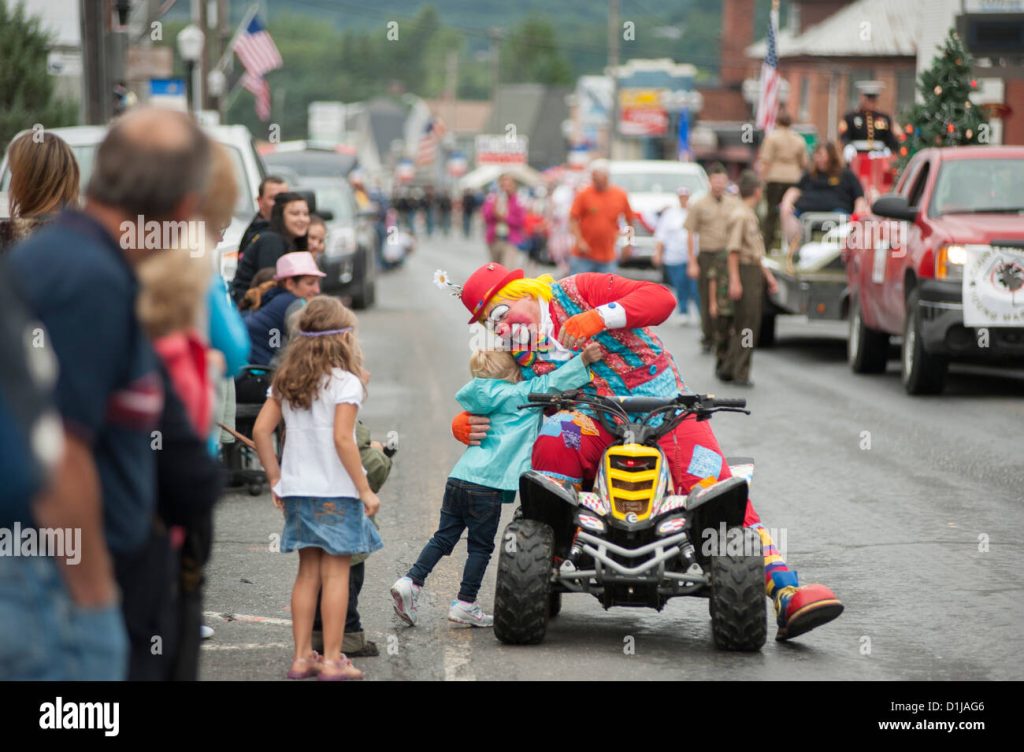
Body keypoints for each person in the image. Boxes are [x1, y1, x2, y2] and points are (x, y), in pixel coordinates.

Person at [448, 263, 843, 641]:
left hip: (666, 410)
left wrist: (599, 318)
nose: (500, 328)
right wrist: (466, 423)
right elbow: (497, 396)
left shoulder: (577, 291)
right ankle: (544, 562)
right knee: (554, 437)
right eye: (491, 324)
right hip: (595, 420)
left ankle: (784, 592)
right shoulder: (517, 350)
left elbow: (661, 300)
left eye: (500, 312)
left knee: (718, 487)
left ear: (524, 293)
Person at [4, 107, 217, 678]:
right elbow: (60, 452)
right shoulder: (86, 280)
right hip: (61, 597)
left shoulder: (79, 265)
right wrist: (93, 595)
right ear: (180, 211)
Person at [391, 338, 601, 628]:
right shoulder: (519, 395)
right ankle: (465, 603)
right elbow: (553, 382)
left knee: (443, 537)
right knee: (480, 548)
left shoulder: (480, 395)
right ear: (514, 374)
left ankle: (410, 581)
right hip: (486, 486)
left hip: (460, 477)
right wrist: (584, 361)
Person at [252, 296, 382, 681]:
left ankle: (301, 657)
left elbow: (261, 431)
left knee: (307, 573)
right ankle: (332, 659)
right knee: (336, 575)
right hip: (336, 493)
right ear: (343, 338)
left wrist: (276, 478)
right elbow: (344, 440)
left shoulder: (287, 381)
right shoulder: (346, 383)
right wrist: (364, 489)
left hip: (297, 491)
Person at [715, 171, 780, 387]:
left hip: (752, 269)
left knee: (746, 324)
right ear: (757, 191)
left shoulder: (746, 214)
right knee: (748, 326)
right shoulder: (741, 216)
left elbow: (756, 253)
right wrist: (735, 280)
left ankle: (730, 367)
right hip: (743, 271)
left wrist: (768, 277)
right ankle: (739, 371)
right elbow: (733, 250)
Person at [684, 163, 739, 353]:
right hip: (707, 255)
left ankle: (722, 334)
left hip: (726, 255)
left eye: (722, 180)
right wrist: (692, 261)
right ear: (709, 181)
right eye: (715, 180)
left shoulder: (733, 203)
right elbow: (691, 233)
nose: (719, 184)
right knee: (707, 297)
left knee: (725, 297)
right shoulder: (699, 204)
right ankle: (708, 335)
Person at [780, 142, 869, 256]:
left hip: (837, 213)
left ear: (831, 156)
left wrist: (858, 214)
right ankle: (796, 253)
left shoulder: (846, 175)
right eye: (816, 155)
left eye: (821, 155)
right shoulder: (809, 176)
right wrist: (787, 203)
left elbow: (859, 197)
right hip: (805, 212)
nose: (818, 158)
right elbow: (794, 190)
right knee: (786, 213)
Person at [0, 131, 80, 252]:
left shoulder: (8, 237)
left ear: (27, 179)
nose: (12, 183)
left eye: (14, 173)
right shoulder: (87, 235)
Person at [243, 251, 324, 366]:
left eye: (317, 283)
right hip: (264, 372)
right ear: (290, 283)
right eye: (310, 283)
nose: (317, 290)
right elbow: (307, 349)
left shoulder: (273, 298)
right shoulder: (296, 304)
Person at [569, 160, 648, 276]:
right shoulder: (584, 194)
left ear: (606, 177)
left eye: (599, 178)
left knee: (608, 291)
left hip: (608, 255)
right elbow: (573, 218)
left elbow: (630, 220)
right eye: (594, 178)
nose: (596, 181)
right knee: (578, 290)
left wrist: (629, 243)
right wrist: (579, 241)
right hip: (583, 255)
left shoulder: (620, 195)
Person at [231, 191, 310, 302]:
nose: (302, 219)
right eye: (295, 214)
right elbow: (269, 288)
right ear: (280, 216)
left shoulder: (294, 243)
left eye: (306, 214)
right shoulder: (271, 241)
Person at [759, 110, 808, 252]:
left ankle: (768, 244)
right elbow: (804, 162)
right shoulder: (799, 139)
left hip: (775, 177)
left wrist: (763, 178)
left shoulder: (772, 138)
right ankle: (791, 244)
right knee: (791, 212)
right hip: (793, 178)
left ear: (777, 122)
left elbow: (766, 160)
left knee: (771, 213)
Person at [653, 186, 699, 326]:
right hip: (674, 256)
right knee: (680, 285)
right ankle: (683, 311)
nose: (684, 199)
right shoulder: (670, 214)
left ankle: (700, 313)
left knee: (695, 287)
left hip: (693, 255)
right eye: (681, 196)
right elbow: (661, 235)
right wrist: (658, 253)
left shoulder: (694, 212)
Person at [840, 80, 899, 155]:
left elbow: (889, 138)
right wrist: (848, 147)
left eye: (873, 100)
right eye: (868, 100)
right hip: (857, 155)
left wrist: (890, 149)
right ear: (862, 98)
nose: (871, 103)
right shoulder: (850, 117)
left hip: (879, 156)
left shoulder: (884, 118)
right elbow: (845, 137)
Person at [239, 176, 289, 260]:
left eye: (284, 198)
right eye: (273, 198)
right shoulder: (262, 236)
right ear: (260, 201)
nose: (279, 203)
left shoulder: (290, 229)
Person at [482, 174, 526, 268]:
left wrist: (505, 218)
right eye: (503, 185)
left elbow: (521, 221)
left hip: (510, 240)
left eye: (508, 185)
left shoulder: (518, 200)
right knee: (495, 269)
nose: (505, 188)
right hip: (494, 238)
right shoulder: (493, 198)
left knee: (507, 269)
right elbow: (486, 216)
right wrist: (494, 211)